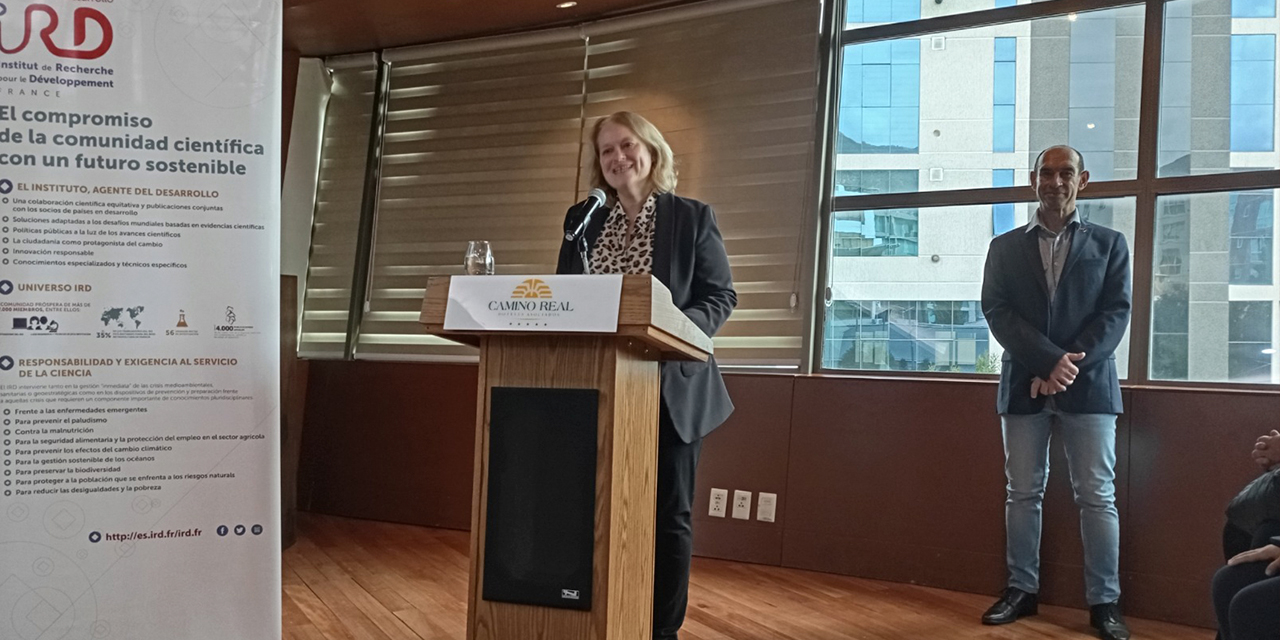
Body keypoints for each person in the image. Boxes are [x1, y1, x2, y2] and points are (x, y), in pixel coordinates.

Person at [556, 111, 736, 640]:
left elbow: (720, 296)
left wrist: (672, 329)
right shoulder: (583, 220)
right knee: (595, 510)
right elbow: (565, 299)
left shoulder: (690, 217)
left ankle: (662, 630)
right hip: (598, 385)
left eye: (626, 145)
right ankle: (598, 616)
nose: (617, 158)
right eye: (606, 151)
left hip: (671, 386)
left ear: (652, 152)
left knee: (668, 517)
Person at [980, 145, 1133, 640]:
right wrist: (1047, 362)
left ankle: (1104, 603)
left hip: (1089, 389)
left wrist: (1064, 369)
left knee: (1097, 496)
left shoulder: (1111, 244)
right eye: (1046, 172)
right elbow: (998, 312)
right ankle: (1021, 591)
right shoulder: (1003, 247)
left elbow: (1115, 315)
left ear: (1082, 180)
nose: (1055, 181)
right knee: (1022, 493)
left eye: (1065, 172)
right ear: (1033, 179)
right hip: (1024, 385)